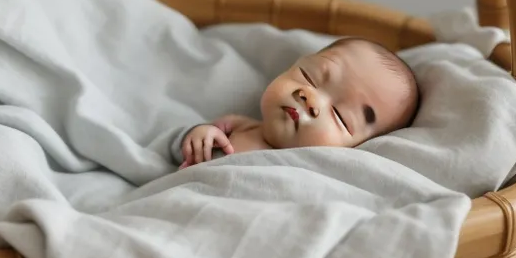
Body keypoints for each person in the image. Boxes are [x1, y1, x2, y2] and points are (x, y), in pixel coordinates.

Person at [179, 37, 420, 168]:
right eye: (309, 76)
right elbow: (170, 152)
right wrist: (198, 135)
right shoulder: (236, 126)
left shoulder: (307, 172)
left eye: (339, 115)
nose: (311, 99)